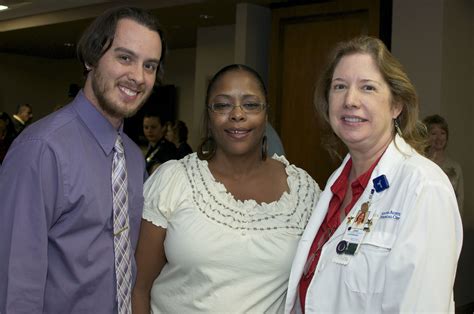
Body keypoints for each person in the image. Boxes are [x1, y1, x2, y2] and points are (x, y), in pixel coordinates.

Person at [0, 6, 166, 313]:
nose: (138, 77)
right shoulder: (40, 150)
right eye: (125, 57)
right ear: (91, 58)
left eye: (150, 65)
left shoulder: (130, 155)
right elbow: (15, 285)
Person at [285, 36, 463, 313]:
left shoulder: (424, 187)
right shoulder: (335, 187)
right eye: (339, 87)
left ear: (396, 105)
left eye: (367, 87)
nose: (350, 100)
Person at [132, 64, 321, 313]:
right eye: (222, 105)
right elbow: (139, 288)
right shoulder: (174, 180)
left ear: (266, 114)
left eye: (251, 104)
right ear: (208, 117)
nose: (237, 114)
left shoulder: (304, 192)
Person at [423, 114, 464, 213]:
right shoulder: (420, 165)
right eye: (433, 133)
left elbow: (459, 201)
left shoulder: (455, 167)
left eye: (442, 133)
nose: (439, 138)